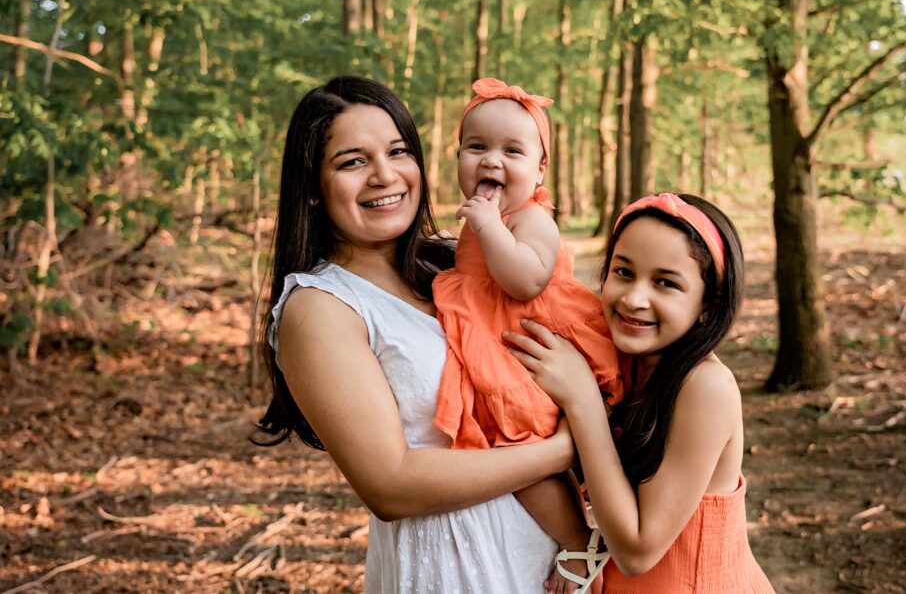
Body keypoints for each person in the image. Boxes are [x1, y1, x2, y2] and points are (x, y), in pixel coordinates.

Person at [255, 76, 577, 593]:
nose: (385, 176)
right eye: (352, 161)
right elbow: (391, 485)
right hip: (453, 569)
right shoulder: (321, 307)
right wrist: (564, 449)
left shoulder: (459, 261)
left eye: (398, 151)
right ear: (313, 189)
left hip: (549, 562)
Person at [506, 192, 775, 593]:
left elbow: (638, 551)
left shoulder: (705, 387)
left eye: (665, 283)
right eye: (624, 273)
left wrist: (582, 401)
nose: (634, 299)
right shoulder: (614, 363)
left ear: (709, 304)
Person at [431, 78, 623, 593]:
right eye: (477, 147)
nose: (492, 162)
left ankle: (582, 543)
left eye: (512, 151)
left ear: (539, 169)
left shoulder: (532, 217)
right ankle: (580, 530)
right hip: (491, 339)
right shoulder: (484, 218)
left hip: (523, 347)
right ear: (457, 158)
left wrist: (491, 228)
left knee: (521, 446)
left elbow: (526, 279)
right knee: (506, 450)